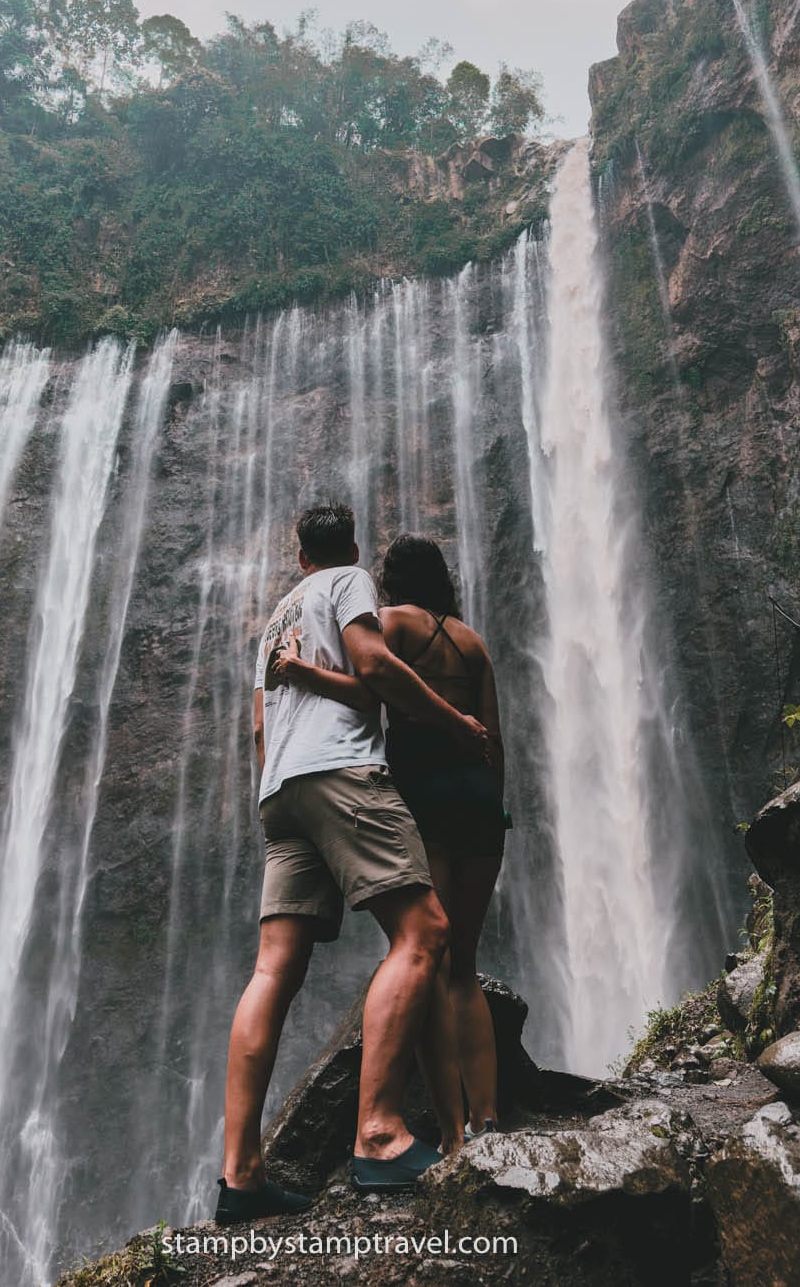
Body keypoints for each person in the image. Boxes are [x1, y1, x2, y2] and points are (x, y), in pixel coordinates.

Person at [217, 505, 491, 1224]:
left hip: (279, 792)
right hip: (339, 772)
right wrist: (454, 721)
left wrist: (275, 797)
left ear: (299, 552)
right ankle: (379, 1132)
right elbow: (374, 666)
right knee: (426, 931)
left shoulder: (277, 620)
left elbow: (258, 725)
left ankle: (240, 1174)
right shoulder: (349, 584)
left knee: (272, 970)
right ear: (348, 551)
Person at [271, 533, 507, 1152]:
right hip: (477, 801)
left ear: (391, 580)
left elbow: (368, 688)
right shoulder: (473, 641)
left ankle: (454, 1134)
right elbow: (493, 738)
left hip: (421, 792)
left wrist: (298, 670)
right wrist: (495, 807)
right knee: (465, 965)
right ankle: (489, 1118)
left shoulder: (390, 625)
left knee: (424, 955)